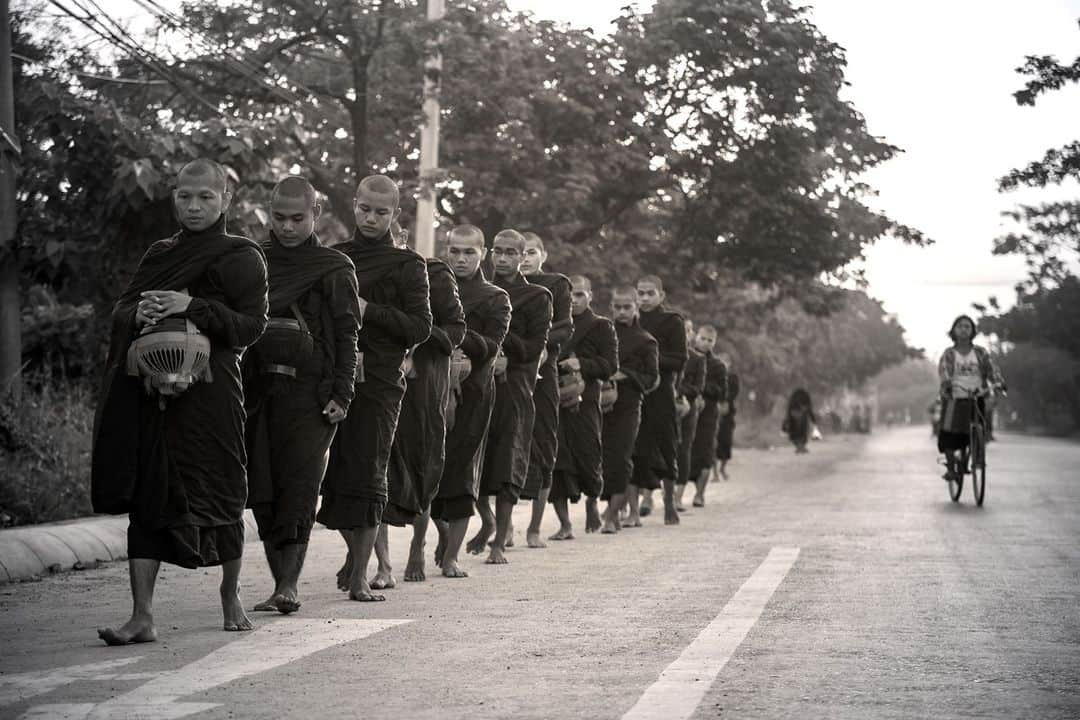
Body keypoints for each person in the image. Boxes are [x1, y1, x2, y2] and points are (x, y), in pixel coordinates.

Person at [92, 159, 269, 644]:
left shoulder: (243, 256)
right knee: (151, 498)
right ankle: (142, 616)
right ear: (174, 197)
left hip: (213, 396)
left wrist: (190, 306)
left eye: (205, 197)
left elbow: (251, 327)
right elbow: (123, 309)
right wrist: (140, 310)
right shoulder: (161, 253)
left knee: (224, 491)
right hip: (154, 392)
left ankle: (230, 594)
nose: (193, 206)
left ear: (225, 200)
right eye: (185, 197)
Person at [244, 176, 360, 615]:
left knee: (300, 485)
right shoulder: (251, 259)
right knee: (262, 488)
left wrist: (342, 393)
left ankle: (289, 585)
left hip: (312, 394)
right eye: (279, 217)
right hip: (257, 391)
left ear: (315, 215)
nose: (288, 227)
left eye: (298, 218)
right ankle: (278, 583)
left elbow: (349, 334)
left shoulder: (332, 267)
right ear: (268, 213)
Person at [319, 175, 432, 602]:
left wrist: (370, 310)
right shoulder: (334, 258)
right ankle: (355, 556)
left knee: (369, 472)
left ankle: (364, 573)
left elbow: (420, 327)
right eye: (365, 209)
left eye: (381, 212)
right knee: (336, 475)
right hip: (335, 376)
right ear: (354, 205)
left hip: (381, 381)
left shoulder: (408, 265)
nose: (371, 218)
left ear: (394, 215)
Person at [375, 253, 466, 586]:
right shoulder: (375, 268)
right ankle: (382, 566)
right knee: (378, 471)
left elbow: (456, 331)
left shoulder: (436, 276)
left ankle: (418, 545)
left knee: (422, 468)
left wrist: (418, 340)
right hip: (382, 377)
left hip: (426, 383)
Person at [429, 225, 511, 578]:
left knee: (462, 469)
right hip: (432, 387)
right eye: (454, 251)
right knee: (429, 467)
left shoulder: (495, 297)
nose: (460, 259)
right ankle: (442, 532)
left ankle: (452, 557)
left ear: (483, 254)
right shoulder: (433, 287)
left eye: (469, 252)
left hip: (475, 391)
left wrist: (458, 337)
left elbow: (492, 346)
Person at [470, 229, 552, 564]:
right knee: (470, 456)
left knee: (507, 460)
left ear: (522, 256)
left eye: (511, 253)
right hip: (476, 380)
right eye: (498, 252)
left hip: (515, 386)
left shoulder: (537, 297)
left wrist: (506, 346)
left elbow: (535, 348)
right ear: (489, 253)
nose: (503, 259)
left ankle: (499, 540)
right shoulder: (476, 291)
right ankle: (486, 519)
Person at [548, 275, 618, 539]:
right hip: (555, 399)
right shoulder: (555, 324)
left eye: (580, 294)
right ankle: (565, 525)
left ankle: (592, 501)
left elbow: (611, 366)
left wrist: (583, 364)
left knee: (590, 458)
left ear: (590, 295)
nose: (574, 300)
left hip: (586, 401)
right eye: (570, 295)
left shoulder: (601, 326)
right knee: (557, 462)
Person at [517, 232, 573, 549]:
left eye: (530, 252)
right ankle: (496, 524)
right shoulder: (498, 286)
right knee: (498, 443)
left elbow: (565, 327)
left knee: (543, 445)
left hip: (542, 372)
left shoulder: (555, 284)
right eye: (517, 252)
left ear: (543, 255)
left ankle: (534, 528)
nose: (523, 258)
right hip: (503, 371)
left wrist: (539, 344)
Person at [630, 275, 688, 525]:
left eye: (650, 293)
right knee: (631, 448)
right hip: (633, 390)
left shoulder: (672, 321)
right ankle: (632, 510)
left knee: (667, 446)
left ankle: (668, 503)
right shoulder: (630, 320)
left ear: (661, 296)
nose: (644, 298)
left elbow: (679, 360)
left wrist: (649, 360)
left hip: (662, 391)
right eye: (640, 293)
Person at [600, 287, 659, 532]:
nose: (622, 312)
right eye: (617, 307)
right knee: (602, 458)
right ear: (611, 307)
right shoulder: (602, 333)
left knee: (622, 457)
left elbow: (652, 377)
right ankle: (607, 509)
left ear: (635, 307)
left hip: (629, 405)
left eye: (627, 307)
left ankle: (613, 515)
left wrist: (626, 374)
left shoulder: (646, 340)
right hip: (599, 403)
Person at [937, 315, 1005, 481]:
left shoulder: (980, 353)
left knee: (976, 430)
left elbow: (992, 370)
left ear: (973, 331)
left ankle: (976, 456)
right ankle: (952, 466)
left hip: (977, 396)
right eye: (960, 326)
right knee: (948, 436)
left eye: (967, 326)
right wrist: (947, 384)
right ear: (954, 330)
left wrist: (998, 383)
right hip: (954, 397)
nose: (964, 329)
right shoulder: (949, 354)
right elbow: (944, 370)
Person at [687, 326, 727, 507]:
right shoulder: (686, 358)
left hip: (708, 414)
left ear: (714, 343)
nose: (705, 343)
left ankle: (699, 494)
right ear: (696, 337)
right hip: (686, 411)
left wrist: (703, 388)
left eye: (710, 340)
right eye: (703, 338)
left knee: (705, 453)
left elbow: (722, 392)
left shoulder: (718, 366)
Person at [673, 319, 707, 512]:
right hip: (665, 406)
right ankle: (648, 497)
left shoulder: (697, 359)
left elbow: (697, 387)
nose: (683, 334)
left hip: (687, 409)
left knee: (683, 450)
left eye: (686, 331)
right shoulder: (663, 354)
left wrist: (679, 392)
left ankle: (677, 497)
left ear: (691, 334)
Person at [714, 350, 739, 481]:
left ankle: (722, 468)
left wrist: (725, 400)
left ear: (729, 364)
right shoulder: (713, 375)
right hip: (714, 409)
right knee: (712, 442)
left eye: (725, 362)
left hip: (728, 412)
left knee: (726, 441)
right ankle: (714, 473)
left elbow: (735, 392)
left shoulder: (733, 377)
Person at [783, 388, 816, 454]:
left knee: (796, 431)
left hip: (794, 413)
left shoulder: (795, 397)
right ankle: (800, 447)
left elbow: (789, 410)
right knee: (801, 431)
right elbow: (809, 409)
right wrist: (813, 419)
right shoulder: (805, 397)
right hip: (798, 414)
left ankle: (799, 447)